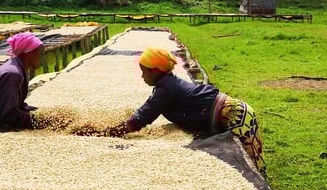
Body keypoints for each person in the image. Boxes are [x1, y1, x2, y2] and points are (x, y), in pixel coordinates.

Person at [106, 47, 265, 175]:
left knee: (251, 164)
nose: (142, 77)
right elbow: (146, 110)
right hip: (232, 112)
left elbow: (143, 116)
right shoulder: (166, 84)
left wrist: (112, 131)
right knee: (244, 161)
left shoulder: (166, 87)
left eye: (144, 72)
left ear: (155, 70)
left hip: (236, 114)